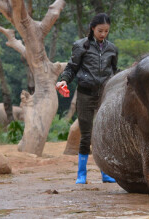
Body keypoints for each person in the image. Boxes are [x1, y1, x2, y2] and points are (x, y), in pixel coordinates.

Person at [56, 13, 118, 184]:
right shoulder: (80, 46)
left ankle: (106, 173)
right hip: (85, 94)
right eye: (100, 30)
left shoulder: (112, 49)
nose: (103, 34)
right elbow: (71, 67)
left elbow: (114, 72)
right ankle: (81, 174)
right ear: (92, 28)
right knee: (86, 135)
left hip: (104, 95)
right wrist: (63, 81)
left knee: (103, 134)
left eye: (106, 31)